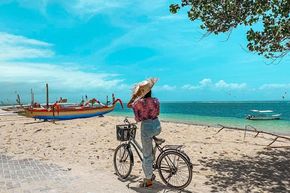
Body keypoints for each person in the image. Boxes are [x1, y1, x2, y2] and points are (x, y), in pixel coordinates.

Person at [127, 78, 161, 188]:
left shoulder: (139, 102)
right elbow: (158, 112)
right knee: (149, 152)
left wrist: (134, 96)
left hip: (147, 128)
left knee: (146, 155)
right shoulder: (155, 100)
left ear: (142, 93)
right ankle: (151, 167)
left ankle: (148, 180)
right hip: (157, 125)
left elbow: (129, 105)